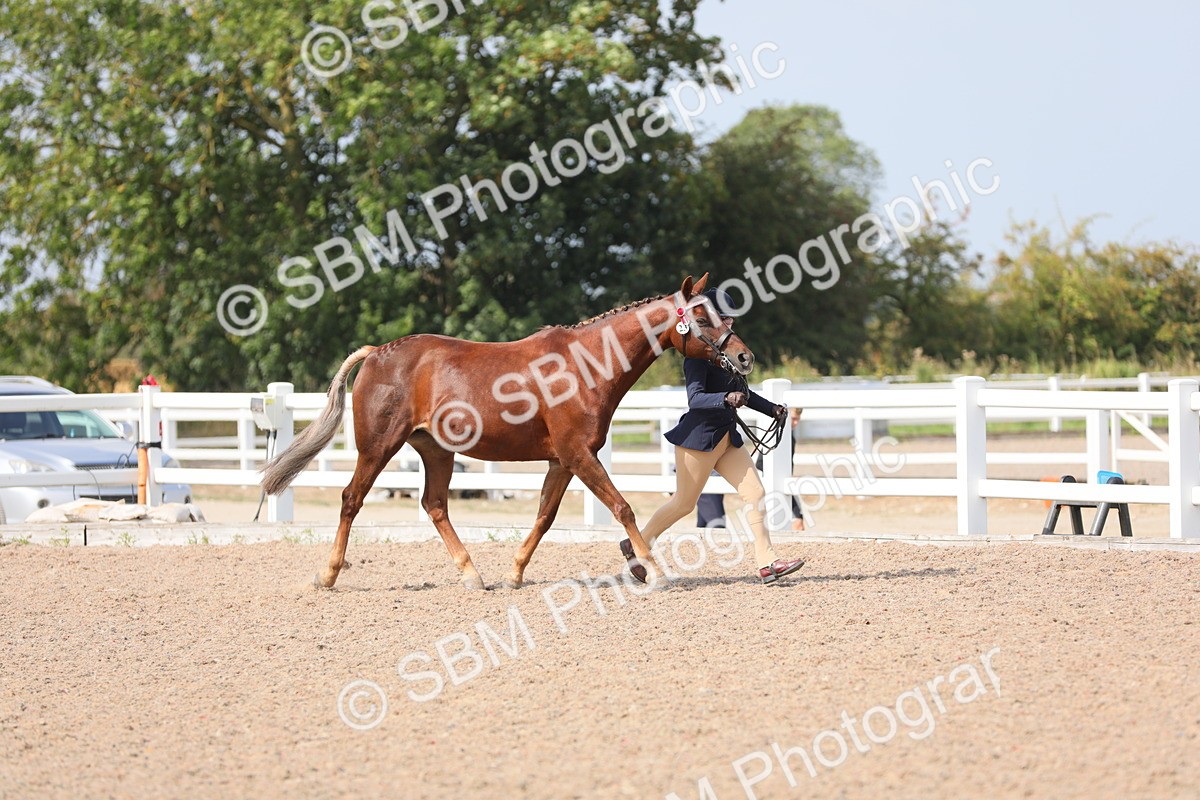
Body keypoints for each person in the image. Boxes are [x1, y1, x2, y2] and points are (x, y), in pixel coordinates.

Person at [620, 288, 806, 585]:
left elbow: (743, 393)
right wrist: (725, 399)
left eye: (732, 318)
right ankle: (638, 543)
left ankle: (767, 562)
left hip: (727, 439)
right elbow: (695, 399)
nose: (731, 322)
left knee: (755, 494)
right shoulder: (697, 357)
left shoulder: (728, 351)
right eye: (725, 317)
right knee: (683, 503)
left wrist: (772, 409)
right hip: (699, 439)